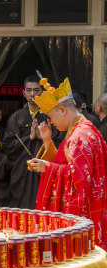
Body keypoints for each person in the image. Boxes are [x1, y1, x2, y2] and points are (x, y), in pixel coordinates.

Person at [30, 77, 107, 249]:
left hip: (83, 213)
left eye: (51, 116)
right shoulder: (86, 129)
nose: (52, 123)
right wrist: (48, 142)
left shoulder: (78, 137)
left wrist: (47, 167)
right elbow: (71, 166)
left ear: (63, 110)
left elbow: (76, 179)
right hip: (94, 208)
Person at [2, 75, 62, 209]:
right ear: (23, 93)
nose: (32, 94)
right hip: (22, 169)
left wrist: (45, 138)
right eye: (29, 90)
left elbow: (61, 144)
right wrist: (29, 137)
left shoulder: (51, 115)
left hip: (45, 169)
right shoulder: (15, 117)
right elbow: (7, 145)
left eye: (36, 90)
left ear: (43, 92)